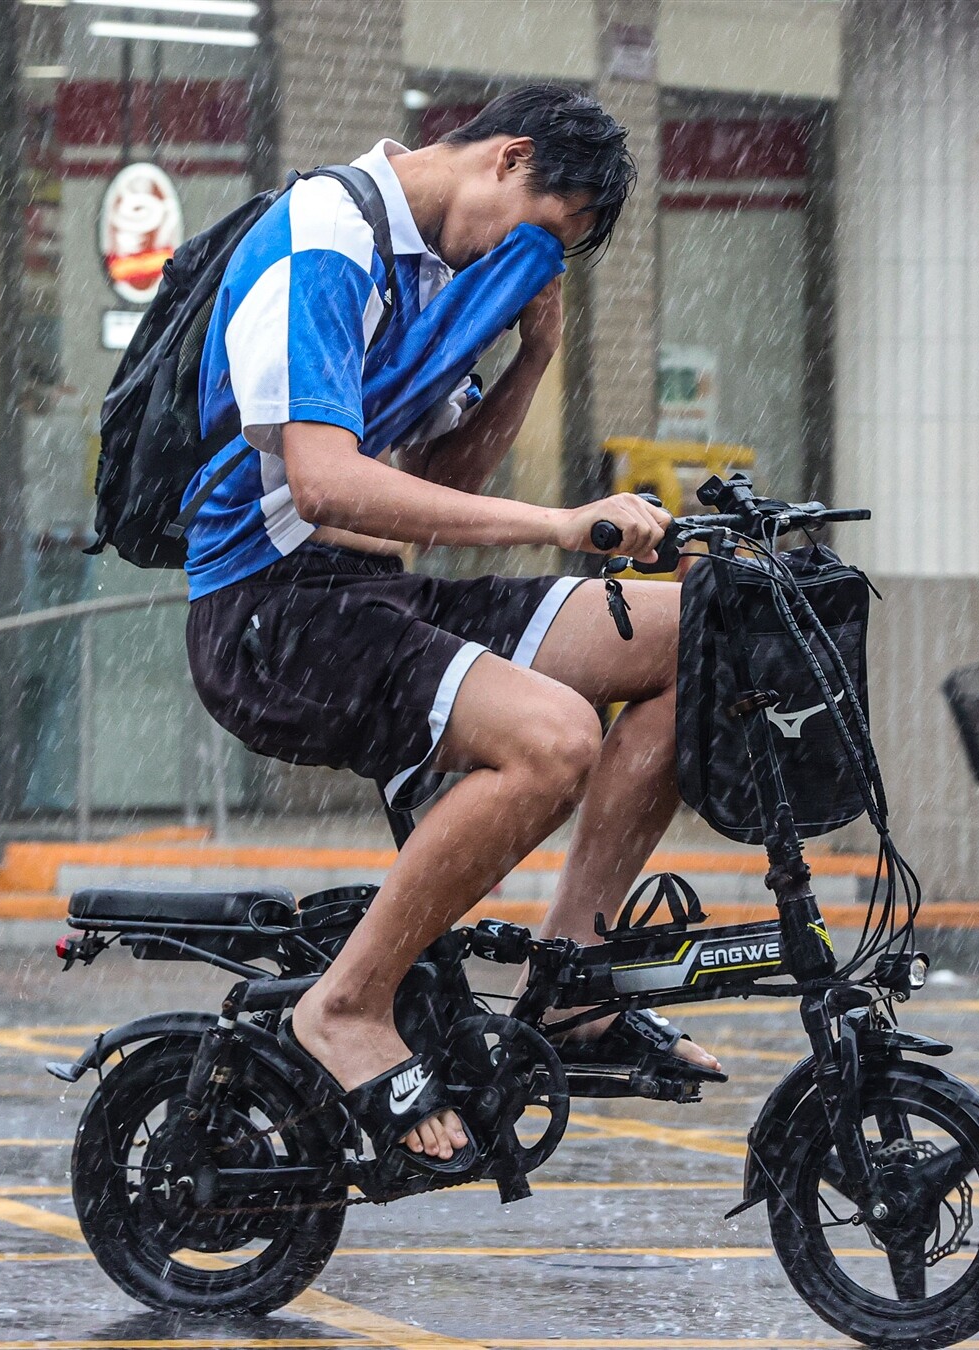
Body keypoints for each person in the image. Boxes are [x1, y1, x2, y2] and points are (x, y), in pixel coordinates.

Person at [184, 85, 721, 1175]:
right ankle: (347, 1007)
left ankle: (571, 977)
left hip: (373, 596)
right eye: (540, 240)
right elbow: (328, 487)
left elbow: (439, 487)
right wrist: (564, 525)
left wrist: (530, 355)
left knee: (708, 628)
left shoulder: (437, 278)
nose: (526, 266)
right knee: (554, 737)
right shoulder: (325, 238)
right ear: (505, 159)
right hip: (271, 614)